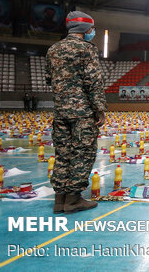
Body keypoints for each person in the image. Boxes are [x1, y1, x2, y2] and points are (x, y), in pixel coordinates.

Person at [46, 11, 106, 214]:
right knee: (83, 152)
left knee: (62, 153)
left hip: (60, 111)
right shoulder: (87, 49)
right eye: (91, 28)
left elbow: (49, 79)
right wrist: (99, 110)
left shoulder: (53, 49)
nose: (92, 32)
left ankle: (59, 200)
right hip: (82, 112)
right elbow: (94, 82)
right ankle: (73, 200)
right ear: (86, 29)